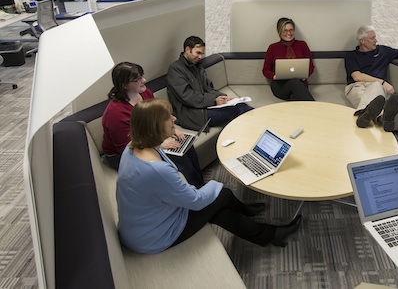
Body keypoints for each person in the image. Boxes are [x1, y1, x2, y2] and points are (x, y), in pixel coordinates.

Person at [116, 98, 302, 254]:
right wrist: (214, 183)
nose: (174, 119)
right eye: (167, 118)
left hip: (141, 227)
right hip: (155, 237)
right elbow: (196, 201)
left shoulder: (132, 146)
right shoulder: (156, 170)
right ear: (154, 127)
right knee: (220, 195)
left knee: (220, 202)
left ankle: (262, 226)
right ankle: (266, 229)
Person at [101, 62, 204, 187]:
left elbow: (159, 118)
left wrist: (172, 130)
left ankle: (199, 184)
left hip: (149, 138)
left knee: (188, 147)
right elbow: (128, 148)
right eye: (137, 79)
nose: (144, 80)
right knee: (179, 159)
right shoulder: (115, 114)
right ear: (124, 85)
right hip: (123, 153)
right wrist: (160, 145)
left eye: (142, 76)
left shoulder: (145, 93)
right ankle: (194, 193)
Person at [167, 36, 253, 131]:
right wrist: (214, 100)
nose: (200, 57)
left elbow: (209, 89)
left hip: (205, 107)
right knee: (238, 110)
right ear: (187, 49)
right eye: (198, 53)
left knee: (241, 105)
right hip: (192, 114)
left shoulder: (197, 67)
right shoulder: (175, 70)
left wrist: (223, 97)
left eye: (202, 54)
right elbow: (188, 97)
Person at [344, 25, 398, 132]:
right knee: (368, 94)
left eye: (375, 37)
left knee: (376, 88)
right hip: (356, 86)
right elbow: (357, 77)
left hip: (378, 88)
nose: (376, 40)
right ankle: (382, 117)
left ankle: (364, 116)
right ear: (362, 41)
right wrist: (383, 82)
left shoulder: (383, 51)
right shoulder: (351, 56)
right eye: (372, 38)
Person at [262, 17, 315, 101]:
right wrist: (274, 76)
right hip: (280, 85)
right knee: (294, 83)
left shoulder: (302, 45)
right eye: (285, 30)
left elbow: (311, 66)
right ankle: (314, 107)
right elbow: (265, 70)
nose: (289, 33)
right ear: (279, 31)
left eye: (291, 30)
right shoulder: (273, 48)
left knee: (296, 89)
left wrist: (306, 75)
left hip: (300, 83)